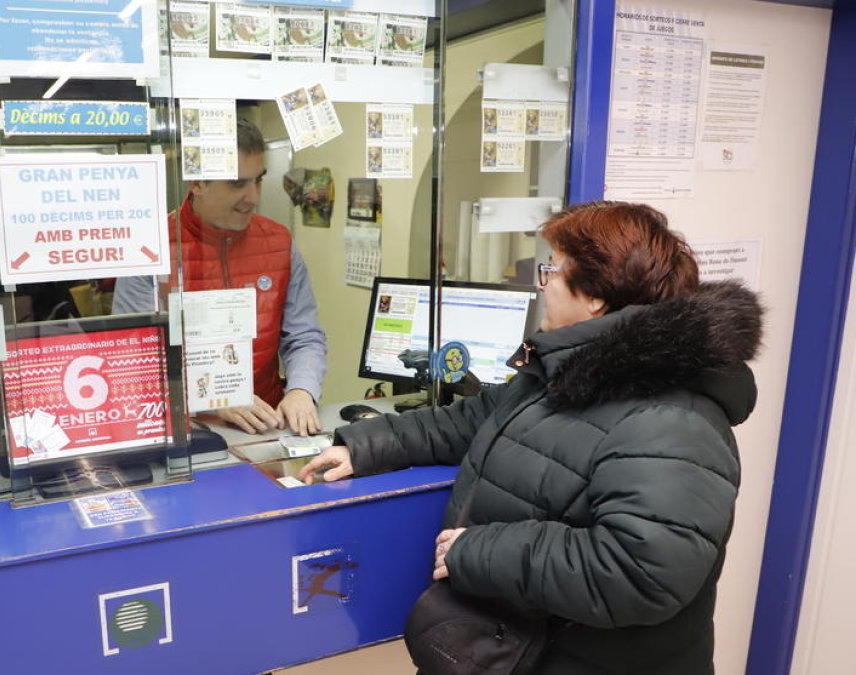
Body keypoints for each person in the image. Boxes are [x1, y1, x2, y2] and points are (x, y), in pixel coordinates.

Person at [299, 201, 762, 675]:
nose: (541, 285)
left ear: (596, 296)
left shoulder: (673, 418)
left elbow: (640, 571)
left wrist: (476, 551)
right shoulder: (566, 371)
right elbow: (467, 421)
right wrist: (363, 446)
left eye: (552, 271)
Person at [114, 118, 326, 436]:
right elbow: (133, 360)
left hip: (266, 428)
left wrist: (301, 390)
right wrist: (212, 397)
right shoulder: (150, 249)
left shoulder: (280, 243)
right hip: (186, 432)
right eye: (237, 184)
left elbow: (304, 336)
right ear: (197, 184)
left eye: (258, 181)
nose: (253, 197)